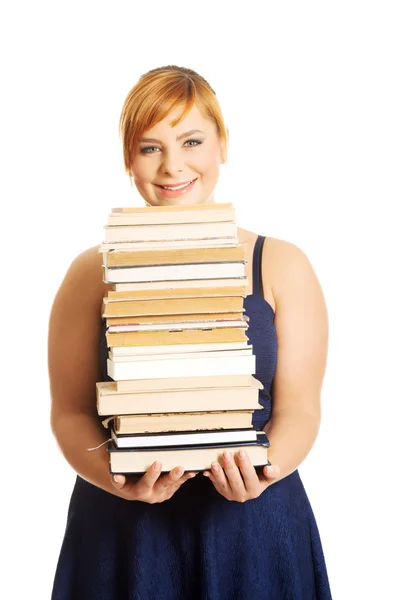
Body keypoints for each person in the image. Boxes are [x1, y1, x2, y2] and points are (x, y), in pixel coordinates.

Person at [49, 65, 332, 599]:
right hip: (124, 531)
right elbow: (68, 412)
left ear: (222, 145)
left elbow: (302, 409)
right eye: (149, 147)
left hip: (252, 526)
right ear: (127, 158)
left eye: (191, 140)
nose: (172, 165)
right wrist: (118, 484)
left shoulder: (281, 264)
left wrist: (267, 468)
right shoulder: (91, 272)